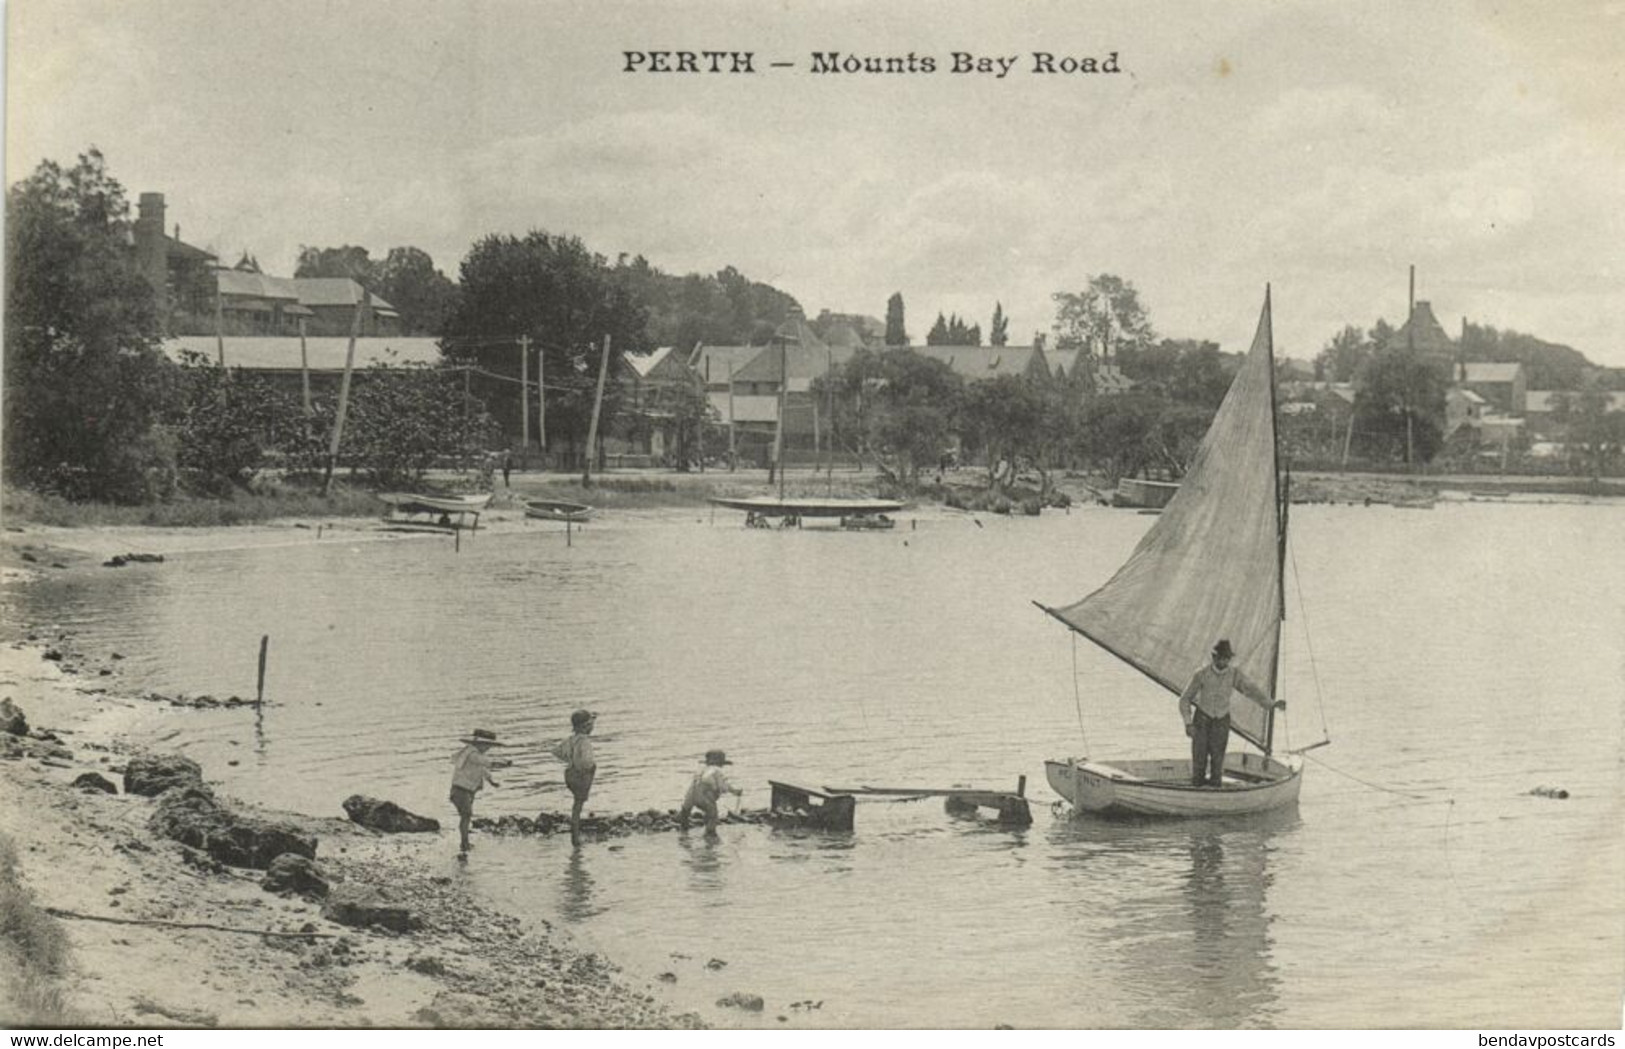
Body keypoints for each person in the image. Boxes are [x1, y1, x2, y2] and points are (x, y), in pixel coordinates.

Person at [1178, 639, 1286, 788]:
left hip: (1221, 722)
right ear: (1214, 657)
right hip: (1201, 721)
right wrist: (1188, 723)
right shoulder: (1201, 674)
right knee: (1199, 762)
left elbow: (1251, 690)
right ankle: (1197, 792)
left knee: (1217, 764)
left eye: (1226, 658)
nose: (1223, 661)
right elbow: (1184, 700)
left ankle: (1215, 796)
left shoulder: (1234, 674)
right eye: (1220, 658)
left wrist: (1271, 704)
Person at [450, 728, 505, 859]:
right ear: (479, 744)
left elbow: (483, 770)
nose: (488, 749)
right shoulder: (472, 754)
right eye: (487, 746)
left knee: (466, 816)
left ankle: (465, 841)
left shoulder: (471, 754)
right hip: (460, 790)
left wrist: (492, 781)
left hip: (468, 790)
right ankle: (464, 843)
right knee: (466, 814)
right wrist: (504, 763)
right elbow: (487, 763)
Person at [552, 709, 597, 847]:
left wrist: (569, 759)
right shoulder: (585, 742)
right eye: (590, 724)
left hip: (569, 774)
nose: (592, 727)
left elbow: (556, 751)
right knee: (577, 807)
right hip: (581, 775)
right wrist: (589, 768)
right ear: (585, 726)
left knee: (576, 805)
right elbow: (587, 761)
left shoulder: (570, 740)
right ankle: (575, 839)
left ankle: (575, 836)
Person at [678, 749, 743, 837]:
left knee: (685, 813)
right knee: (713, 815)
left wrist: (686, 806)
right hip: (705, 795)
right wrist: (735, 791)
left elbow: (695, 784)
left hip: (691, 794)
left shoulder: (700, 770)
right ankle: (710, 837)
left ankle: (683, 834)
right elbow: (723, 786)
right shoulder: (717, 771)